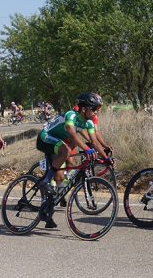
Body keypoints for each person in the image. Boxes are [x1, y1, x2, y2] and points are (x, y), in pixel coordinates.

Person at [35, 92, 108, 228]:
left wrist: (106, 158)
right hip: (45, 138)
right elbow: (72, 134)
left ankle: (47, 213)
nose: (96, 113)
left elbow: (94, 141)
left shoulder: (89, 122)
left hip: (58, 141)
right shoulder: (71, 115)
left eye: (98, 109)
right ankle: (45, 181)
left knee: (61, 174)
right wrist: (87, 149)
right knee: (66, 151)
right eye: (94, 109)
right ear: (84, 109)